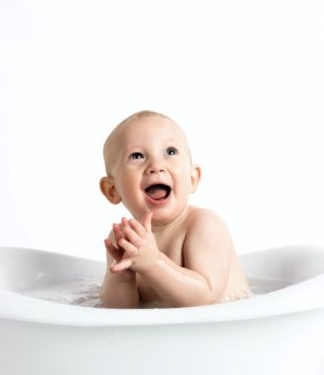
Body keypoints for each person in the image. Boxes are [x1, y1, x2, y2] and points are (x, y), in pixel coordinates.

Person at [99, 110, 252, 308]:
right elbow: (118, 310)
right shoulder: (125, 239)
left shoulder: (203, 225)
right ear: (112, 190)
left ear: (192, 178)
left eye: (170, 152)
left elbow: (206, 298)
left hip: (224, 329)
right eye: (137, 156)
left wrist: (154, 263)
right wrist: (122, 279)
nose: (156, 166)